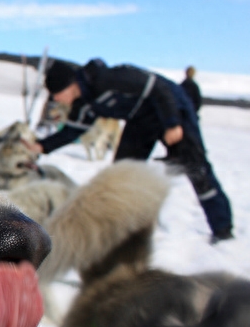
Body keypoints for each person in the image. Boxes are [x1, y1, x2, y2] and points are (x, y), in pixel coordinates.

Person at [36, 58, 234, 243]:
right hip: (141, 120)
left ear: (67, 85)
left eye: (55, 93)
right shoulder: (84, 103)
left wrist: (172, 123)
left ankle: (222, 230)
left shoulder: (109, 78)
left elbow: (159, 88)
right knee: (121, 174)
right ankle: (120, 232)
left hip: (171, 107)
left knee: (196, 167)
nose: (55, 99)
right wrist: (42, 146)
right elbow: (72, 131)